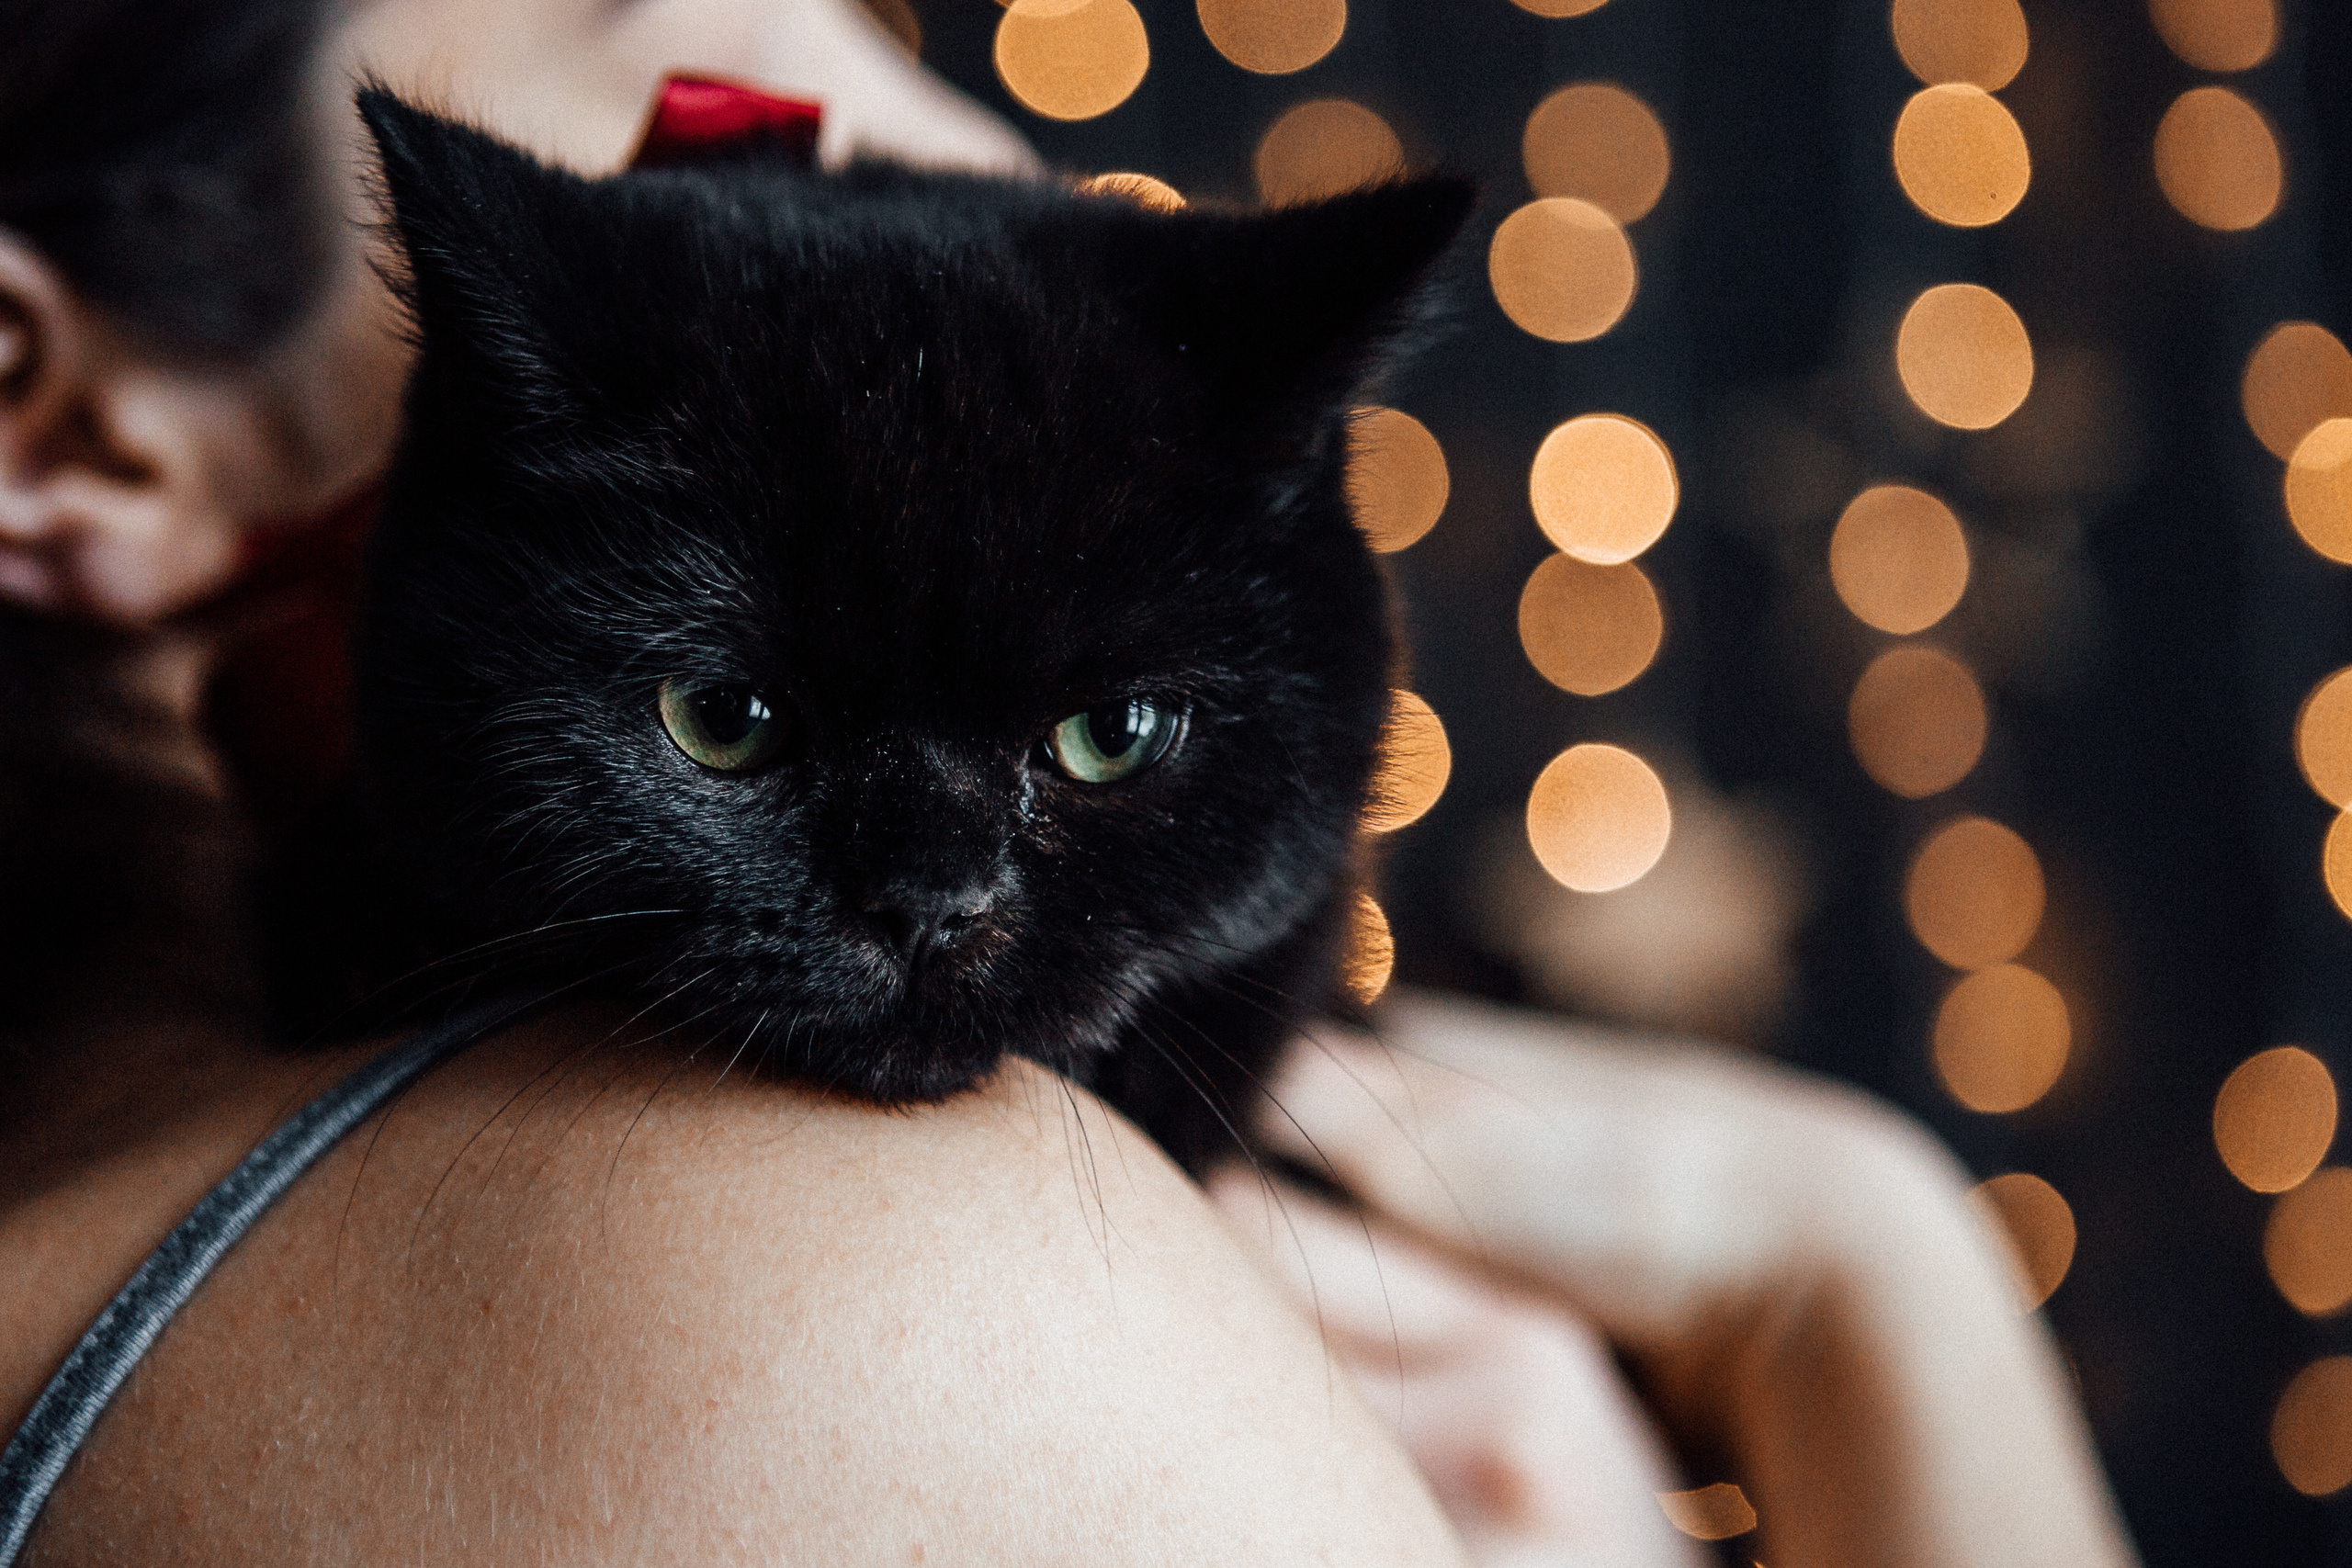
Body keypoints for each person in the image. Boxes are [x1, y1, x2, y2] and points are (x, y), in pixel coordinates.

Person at [0, 0, 2142, 1562]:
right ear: (54, 420)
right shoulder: (854, 1276)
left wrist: (1829, 1232)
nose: (934, 118)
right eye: (683, 27)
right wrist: (1859, 1292)